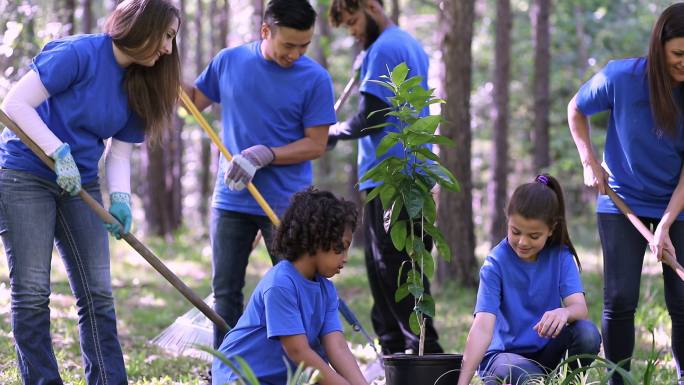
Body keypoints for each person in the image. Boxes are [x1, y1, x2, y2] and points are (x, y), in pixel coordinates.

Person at [0, 0, 181, 384]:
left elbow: (119, 153)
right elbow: (15, 104)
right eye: (166, 35)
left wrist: (120, 199)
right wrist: (57, 151)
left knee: (97, 292)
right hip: (24, 173)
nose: (169, 48)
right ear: (141, 25)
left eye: (173, 39)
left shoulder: (142, 82)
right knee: (32, 291)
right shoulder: (79, 53)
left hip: (80, 183)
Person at [184, 0, 336, 348]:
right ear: (265, 31)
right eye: (288, 45)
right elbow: (193, 100)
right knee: (225, 293)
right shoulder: (229, 62)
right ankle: (229, 367)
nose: (296, 54)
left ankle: (304, 368)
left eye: (304, 45)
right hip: (232, 199)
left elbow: (316, 144)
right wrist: (162, 68)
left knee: (296, 290)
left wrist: (266, 154)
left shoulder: (314, 78)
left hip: (289, 205)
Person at [567, 4, 684, 383]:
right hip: (622, 200)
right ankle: (620, 380)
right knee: (619, 299)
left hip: (677, 203)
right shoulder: (621, 77)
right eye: (679, 54)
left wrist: (666, 222)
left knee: (682, 301)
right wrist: (588, 161)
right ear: (658, 46)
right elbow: (576, 108)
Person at [327, 0, 442, 354]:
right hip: (408, 173)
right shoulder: (407, 43)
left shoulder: (384, 47)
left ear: (372, 6)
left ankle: (426, 354)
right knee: (389, 268)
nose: (353, 31)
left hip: (395, 177)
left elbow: (371, 118)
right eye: (347, 26)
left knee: (394, 269)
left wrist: (331, 132)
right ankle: (397, 355)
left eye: (354, 21)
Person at [211, 188, 366, 385]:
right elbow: (298, 351)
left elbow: (337, 347)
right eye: (341, 247)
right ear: (316, 238)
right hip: (238, 378)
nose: (345, 258)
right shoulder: (281, 284)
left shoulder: (326, 290)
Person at [457, 174, 601, 385]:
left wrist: (565, 311)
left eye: (534, 236)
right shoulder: (496, 262)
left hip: (545, 353)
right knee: (529, 377)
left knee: (587, 333)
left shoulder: (561, 256)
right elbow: (482, 327)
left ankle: (563, 381)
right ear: (508, 221)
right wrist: (462, 382)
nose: (523, 242)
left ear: (550, 230)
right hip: (503, 357)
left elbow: (580, 308)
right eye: (515, 232)